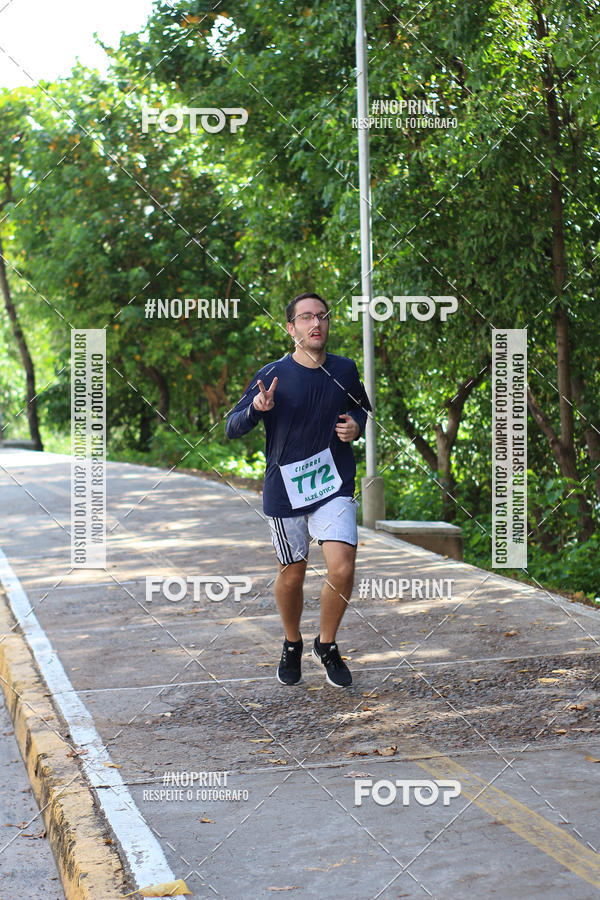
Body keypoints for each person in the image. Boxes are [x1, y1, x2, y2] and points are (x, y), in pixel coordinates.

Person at [225, 292, 372, 687]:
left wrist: (355, 425)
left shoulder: (344, 369)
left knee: (342, 568)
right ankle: (292, 642)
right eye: (306, 318)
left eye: (322, 316)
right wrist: (258, 408)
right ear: (291, 328)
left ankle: (327, 645)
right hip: (285, 489)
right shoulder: (272, 373)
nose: (316, 324)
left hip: (333, 484)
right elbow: (231, 426)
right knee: (293, 572)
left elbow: (361, 407)